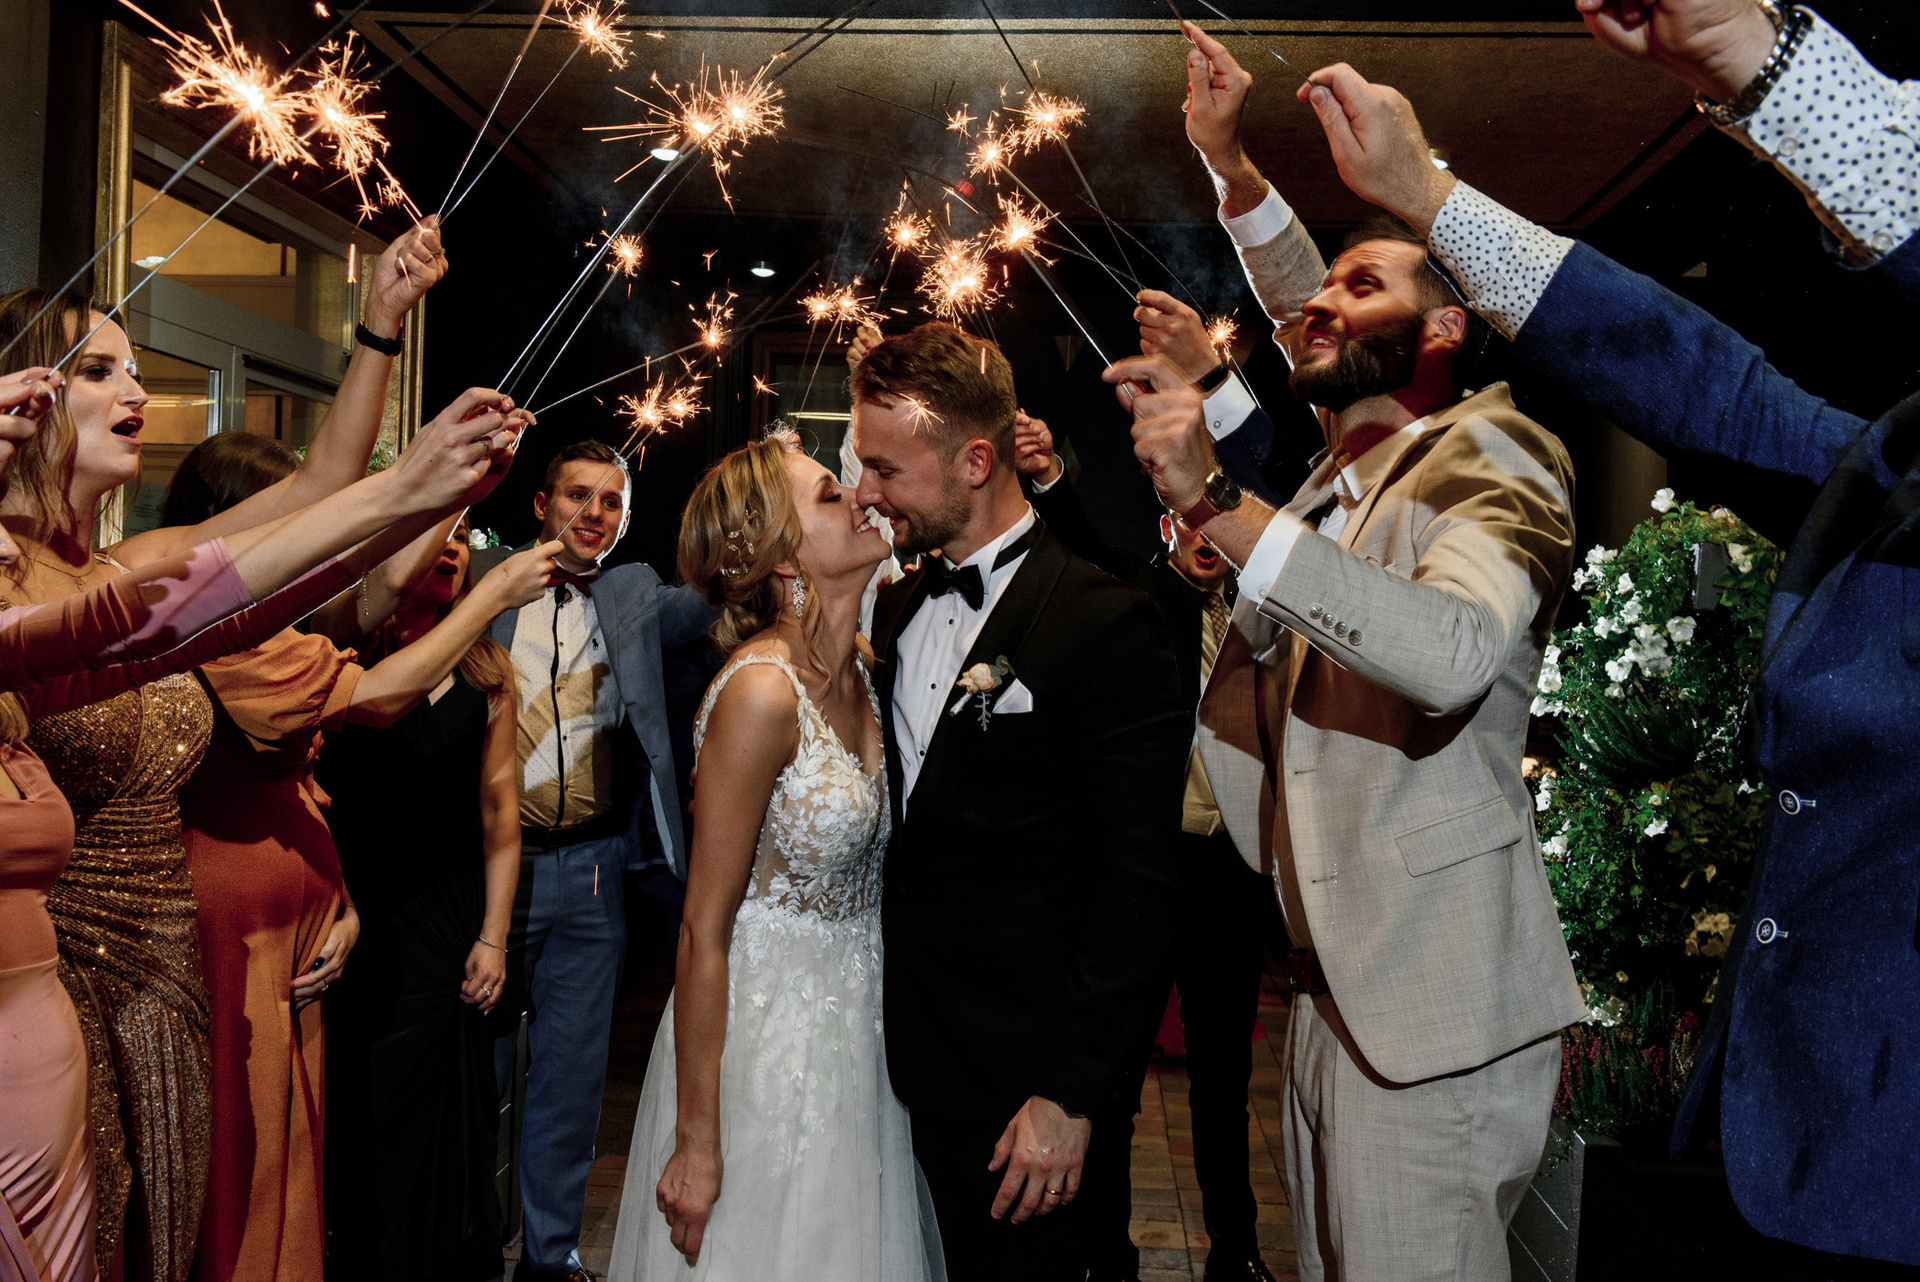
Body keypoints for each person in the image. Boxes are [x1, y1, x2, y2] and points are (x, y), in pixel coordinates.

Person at [1287, 1, 1918, 1266]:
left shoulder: (1490, 453)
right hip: (1820, 1138)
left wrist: (1765, 64)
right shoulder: (1890, 463)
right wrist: (1429, 199)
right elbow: (1705, 381)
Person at [1114, 26, 1586, 1278]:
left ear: (1446, 334)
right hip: (1332, 1005)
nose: (1317, 303)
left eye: (1362, 284)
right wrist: (1232, 168)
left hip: (1433, 1016)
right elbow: (1306, 306)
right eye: (1320, 288)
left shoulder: (1495, 453)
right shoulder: (1348, 477)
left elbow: (1452, 651)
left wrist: (1220, 502)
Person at [0, 267, 516, 1278]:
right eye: (99, 370)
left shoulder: (120, 562)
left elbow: (279, 546)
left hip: (168, 967)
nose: (137, 392)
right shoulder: (41, 594)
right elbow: (171, 614)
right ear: (27, 389)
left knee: (182, 1230)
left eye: (135, 368)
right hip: (62, 969)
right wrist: (407, 492)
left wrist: (386, 354)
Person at [160, 433, 554, 1282]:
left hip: (329, 920)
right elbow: (373, 693)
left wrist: (335, 894)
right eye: (299, 515)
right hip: (227, 924)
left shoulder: (281, 625)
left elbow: (304, 792)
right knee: (248, 1143)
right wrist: (487, 581)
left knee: (293, 1143)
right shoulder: (232, 634)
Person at [848, 323, 1190, 1281]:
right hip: (906, 1072)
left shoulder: (1105, 620)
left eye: (885, 469)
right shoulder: (897, 609)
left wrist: (1072, 1094)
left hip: (1030, 1097)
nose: (865, 491)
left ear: (976, 461)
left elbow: (1140, 884)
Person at [606, 429, 935, 1280]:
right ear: (782, 558)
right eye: (831, 493)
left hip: (859, 1040)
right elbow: (701, 931)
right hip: (764, 1046)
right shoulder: (760, 693)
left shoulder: (865, 670)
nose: (862, 496)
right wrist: (697, 1139)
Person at [1013, 412, 1284, 1282]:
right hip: (1147, 871)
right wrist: (1050, 475)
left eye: (1219, 526)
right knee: (1116, 1080)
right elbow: (1080, 540)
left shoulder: (1263, 623)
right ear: (1172, 524)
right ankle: (1108, 1255)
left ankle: (1236, 1253)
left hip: (1227, 876)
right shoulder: (1136, 593)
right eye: (1192, 523)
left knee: (1223, 1082)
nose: (1206, 541)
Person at [471, 439, 716, 1282]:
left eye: (612, 502)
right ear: (541, 503)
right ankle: (472, 1246)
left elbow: (711, 604)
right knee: (477, 1074)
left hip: (595, 867)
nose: (594, 513)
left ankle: (551, 1257)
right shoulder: (485, 580)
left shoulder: (633, 590)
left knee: (571, 1084)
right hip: (493, 874)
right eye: (578, 495)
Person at [319, 519, 530, 1282]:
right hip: (360, 916)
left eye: (463, 535)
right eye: (436, 529)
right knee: (362, 1112)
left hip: (450, 921)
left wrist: (493, 935)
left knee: (453, 1115)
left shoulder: (488, 669)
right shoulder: (344, 656)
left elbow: (500, 811)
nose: (452, 546)